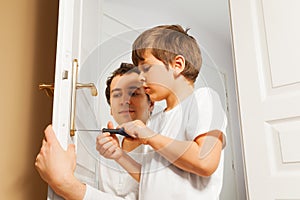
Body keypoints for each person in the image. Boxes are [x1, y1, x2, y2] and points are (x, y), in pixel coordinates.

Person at [96, 25, 227, 200]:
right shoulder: (156, 122)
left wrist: (149, 136)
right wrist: (119, 156)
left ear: (177, 65)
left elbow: (205, 161)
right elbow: (151, 180)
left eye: (146, 68)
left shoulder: (204, 99)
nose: (141, 78)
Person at [35, 63, 154, 200]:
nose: (125, 101)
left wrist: (66, 184)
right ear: (110, 108)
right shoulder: (104, 144)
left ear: (151, 104)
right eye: (116, 95)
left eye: (134, 93)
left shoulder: (162, 148)